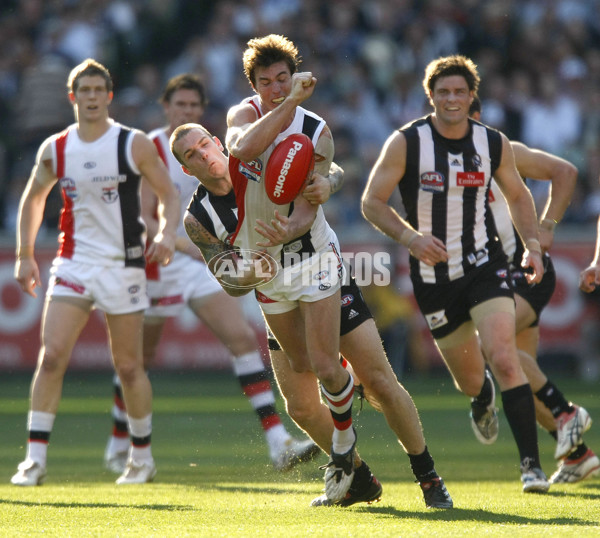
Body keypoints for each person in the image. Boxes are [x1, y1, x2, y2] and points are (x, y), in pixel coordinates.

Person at [169, 120, 453, 509]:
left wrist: (329, 183)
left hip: (320, 274)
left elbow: (326, 166)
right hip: (277, 297)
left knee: (380, 382)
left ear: (218, 143)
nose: (203, 154)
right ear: (187, 169)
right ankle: (359, 479)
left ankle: (429, 477)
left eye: (204, 144)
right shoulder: (198, 218)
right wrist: (245, 275)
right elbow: (228, 281)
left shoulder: (258, 160)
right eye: (191, 155)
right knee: (301, 406)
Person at [103, 73, 318, 474]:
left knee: (240, 339)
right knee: (137, 360)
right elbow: (143, 215)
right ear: (166, 107)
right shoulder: (152, 146)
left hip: (201, 258)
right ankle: (119, 441)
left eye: (193, 106)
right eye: (179, 105)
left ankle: (278, 441)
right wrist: (186, 243)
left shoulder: (215, 148)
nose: (186, 111)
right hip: (160, 261)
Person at [361, 55, 549, 493]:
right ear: (431, 96)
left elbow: (520, 198)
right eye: (443, 92)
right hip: (434, 277)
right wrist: (410, 238)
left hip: (486, 264)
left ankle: (531, 467)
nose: (451, 99)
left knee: (503, 356)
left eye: (459, 92)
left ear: (471, 96)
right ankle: (480, 397)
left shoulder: (492, 142)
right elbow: (372, 201)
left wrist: (534, 247)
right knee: (469, 379)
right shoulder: (407, 142)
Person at [11, 59, 180, 486]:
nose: (89, 97)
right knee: (51, 358)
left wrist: (166, 233)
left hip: (123, 265)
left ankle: (141, 458)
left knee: (128, 366)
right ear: (73, 98)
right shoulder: (56, 148)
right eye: (82, 91)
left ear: (108, 96)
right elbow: (32, 200)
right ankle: (34, 460)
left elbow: (168, 193)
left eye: (96, 90)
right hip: (74, 263)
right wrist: (25, 254)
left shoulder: (132, 143)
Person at [221, 33, 359, 503]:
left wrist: (292, 226)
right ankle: (346, 386)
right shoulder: (244, 115)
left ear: (295, 73)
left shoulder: (317, 129)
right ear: (253, 85)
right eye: (267, 82)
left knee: (322, 364)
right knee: (301, 364)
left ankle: (343, 448)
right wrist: (287, 106)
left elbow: (310, 201)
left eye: (284, 78)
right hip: (266, 263)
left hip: (312, 252)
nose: (277, 88)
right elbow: (240, 149)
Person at [470, 97, 598, 484]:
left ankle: (566, 413)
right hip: (492, 276)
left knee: (492, 347)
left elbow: (565, 171)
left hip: (524, 270)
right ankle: (577, 455)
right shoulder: (434, 160)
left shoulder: (502, 149)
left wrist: (546, 226)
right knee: (518, 379)